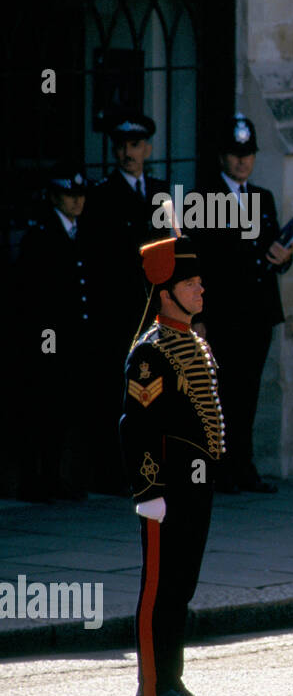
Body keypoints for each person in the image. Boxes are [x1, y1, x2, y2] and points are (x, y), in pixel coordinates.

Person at [120, 236, 225, 696]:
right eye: (190, 282)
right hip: (166, 489)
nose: (200, 289)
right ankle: (151, 688)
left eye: (200, 280)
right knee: (159, 586)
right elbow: (137, 427)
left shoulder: (191, 341)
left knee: (181, 584)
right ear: (166, 291)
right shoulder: (152, 352)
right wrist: (149, 491)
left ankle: (172, 678)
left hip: (195, 486)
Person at [189, 115, 293, 495]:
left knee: (248, 392)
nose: (241, 162)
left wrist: (285, 256)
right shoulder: (203, 198)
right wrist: (197, 315)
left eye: (247, 155)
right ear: (222, 157)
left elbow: (273, 248)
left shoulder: (261, 197)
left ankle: (244, 466)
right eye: (235, 155)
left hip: (257, 311)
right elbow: (195, 261)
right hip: (221, 312)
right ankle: (217, 468)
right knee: (219, 393)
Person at [83, 108, 172, 493]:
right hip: (117, 311)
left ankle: (148, 468)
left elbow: (172, 248)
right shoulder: (102, 195)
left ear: (148, 148)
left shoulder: (159, 193)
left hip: (152, 309)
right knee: (114, 393)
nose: (127, 153)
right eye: (121, 146)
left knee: (152, 391)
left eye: (134, 145)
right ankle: (111, 471)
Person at [14, 163, 93, 501]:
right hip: (49, 335)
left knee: (64, 407)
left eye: (80, 195)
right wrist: (47, 342)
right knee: (43, 405)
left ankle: (56, 474)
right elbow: (35, 294)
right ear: (54, 197)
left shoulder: (82, 232)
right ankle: (37, 478)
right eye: (69, 195)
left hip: (73, 334)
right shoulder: (42, 234)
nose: (76, 202)